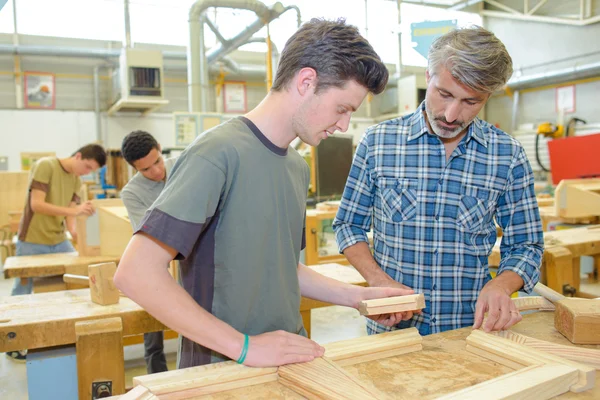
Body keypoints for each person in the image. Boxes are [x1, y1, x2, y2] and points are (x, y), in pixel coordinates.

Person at [114, 18, 414, 369]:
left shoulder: (296, 167)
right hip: (221, 369)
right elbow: (135, 273)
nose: (344, 124)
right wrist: (244, 347)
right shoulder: (217, 153)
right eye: (342, 108)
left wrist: (358, 297)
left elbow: (283, 268)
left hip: (290, 359)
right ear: (306, 81)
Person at [333, 26, 544, 337]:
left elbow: (527, 244)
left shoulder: (507, 155)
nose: (450, 114)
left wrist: (502, 284)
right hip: (394, 332)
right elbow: (349, 225)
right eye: (443, 94)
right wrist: (378, 280)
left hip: (470, 330)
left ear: (488, 96)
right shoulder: (379, 142)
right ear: (428, 75)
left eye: (471, 102)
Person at [7, 144, 106, 362]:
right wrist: (74, 211)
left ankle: (63, 333)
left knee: (77, 276)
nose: (86, 172)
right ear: (78, 155)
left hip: (59, 240)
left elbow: (71, 217)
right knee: (23, 289)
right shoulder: (46, 165)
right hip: (32, 239)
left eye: (91, 170)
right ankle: (12, 342)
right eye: (86, 166)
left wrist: (77, 235)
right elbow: (36, 205)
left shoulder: (76, 180)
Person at [120, 131, 177, 374]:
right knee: (152, 329)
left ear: (160, 149)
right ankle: (158, 380)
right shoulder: (131, 193)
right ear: (135, 169)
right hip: (157, 260)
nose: (155, 171)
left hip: (194, 255)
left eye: (157, 161)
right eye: (146, 170)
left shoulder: (182, 166)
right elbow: (150, 234)